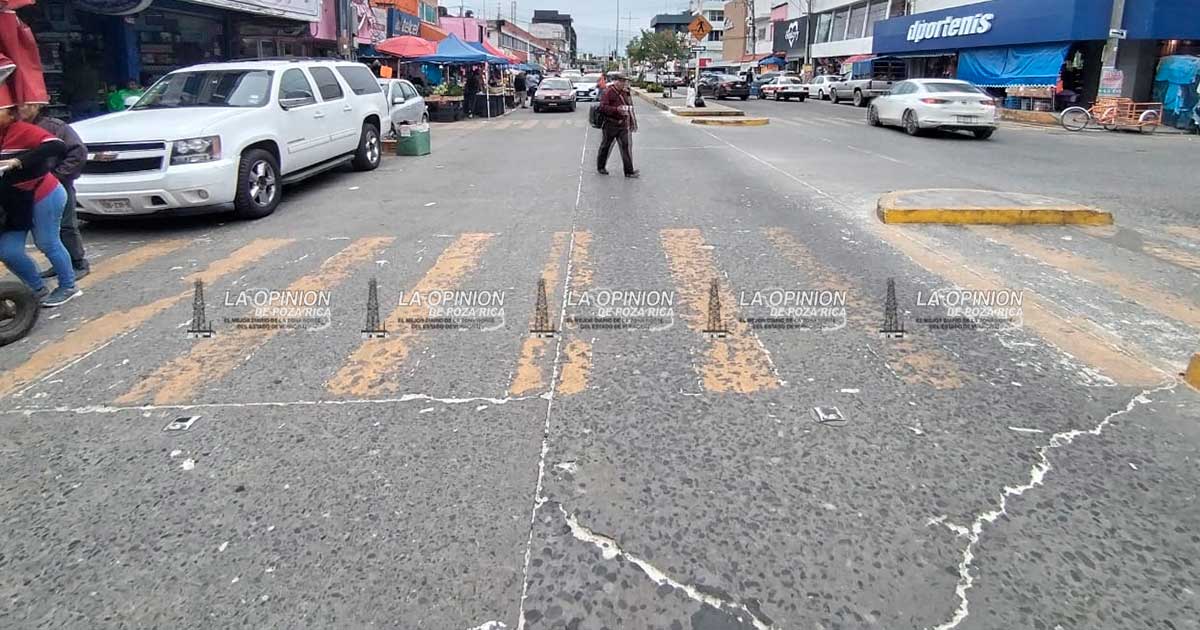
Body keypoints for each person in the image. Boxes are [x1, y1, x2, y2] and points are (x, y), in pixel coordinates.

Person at [0, 104, 80, 307]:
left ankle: (68, 286)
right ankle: (37, 289)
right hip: (14, 202)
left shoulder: (23, 129)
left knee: (47, 242)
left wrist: (18, 161)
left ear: (11, 114)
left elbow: (57, 146)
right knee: (8, 251)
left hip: (44, 194)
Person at [19, 103, 89, 279]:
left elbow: (78, 153)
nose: (21, 109)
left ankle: (77, 262)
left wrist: (57, 176)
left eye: (26, 105)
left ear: (37, 106)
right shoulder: (15, 129)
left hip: (57, 185)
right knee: (46, 229)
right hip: (29, 187)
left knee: (66, 225)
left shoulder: (55, 127)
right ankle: (60, 264)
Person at [596, 72, 639, 178]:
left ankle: (629, 171)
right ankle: (601, 167)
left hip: (623, 124)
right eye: (622, 81)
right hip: (610, 124)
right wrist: (616, 110)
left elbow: (630, 108)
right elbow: (602, 107)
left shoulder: (625, 92)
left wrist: (632, 122)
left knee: (626, 147)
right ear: (616, 82)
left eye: (625, 81)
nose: (624, 83)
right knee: (606, 146)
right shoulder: (608, 92)